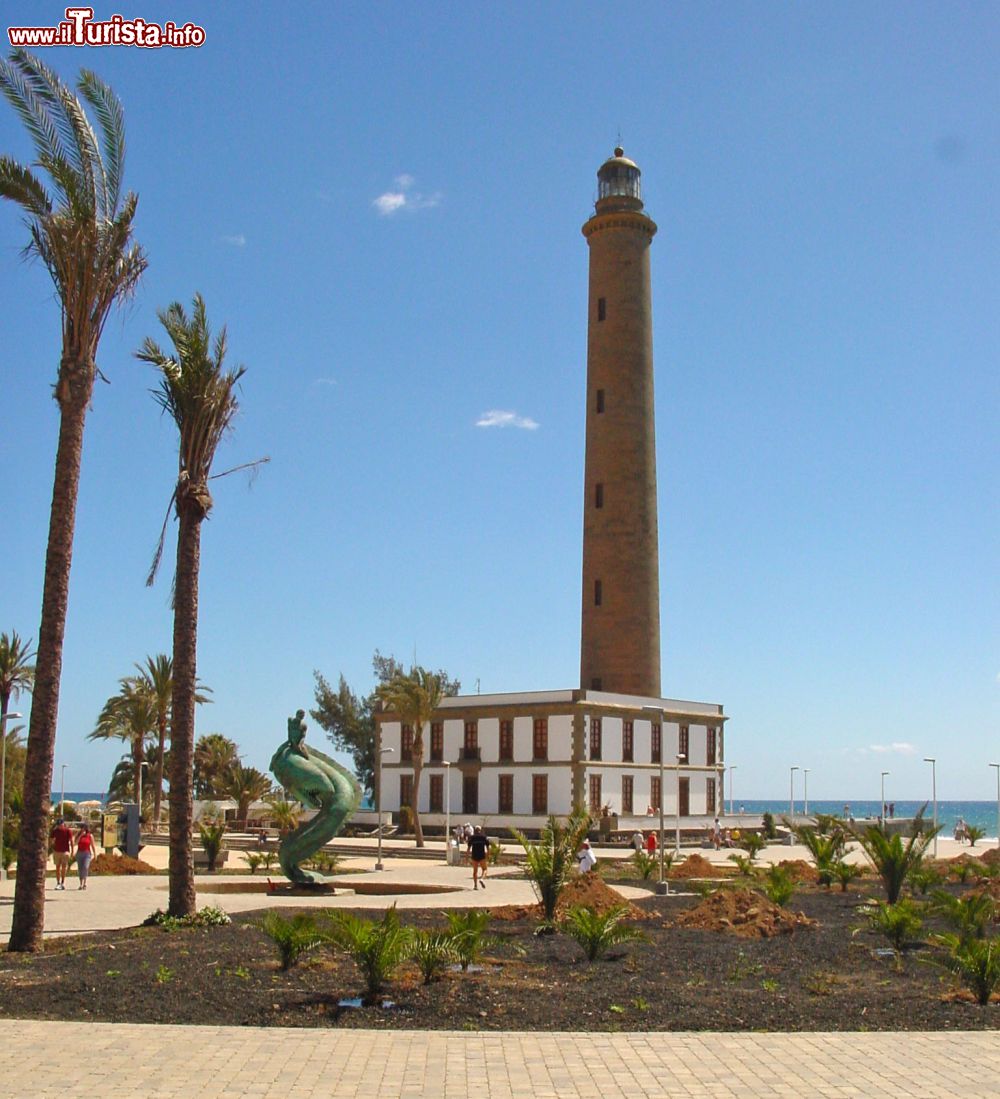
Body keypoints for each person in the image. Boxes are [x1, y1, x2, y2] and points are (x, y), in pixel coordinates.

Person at [51, 817, 74, 890]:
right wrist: (52, 845)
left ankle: (62, 882)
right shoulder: (55, 831)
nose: (60, 826)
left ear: (63, 824)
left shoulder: (68, 831)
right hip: (57, 850)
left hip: (65, 851)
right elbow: (51, 839)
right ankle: (58, 882)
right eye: (58, 825)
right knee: (57, 867)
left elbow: (71, 841)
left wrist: (72, 851)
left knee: (64, 867)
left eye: (61, 825)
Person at [75, 823, 96, 889]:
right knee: (80, 869)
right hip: (79, 853)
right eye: (82, 828)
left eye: (84, 828)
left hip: (87, 853)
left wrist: (95, 854)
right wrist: (80, 835)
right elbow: (75, 843)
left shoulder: (90, 836)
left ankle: (85, 883)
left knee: (85, 867)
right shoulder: (78, 835)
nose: (83, 829)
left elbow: (93, 845)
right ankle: (81, 883)